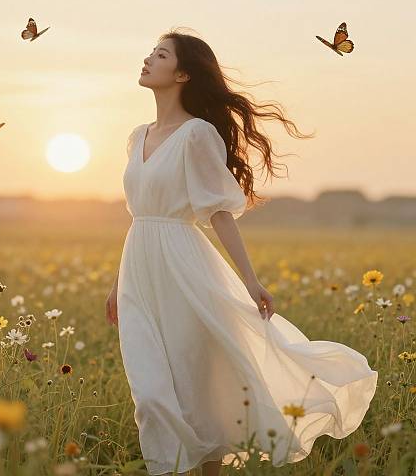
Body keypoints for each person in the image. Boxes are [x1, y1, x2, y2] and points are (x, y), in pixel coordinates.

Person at [104, 28, 378, 476]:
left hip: (184, 267)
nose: (147, 59)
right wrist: (117, 285)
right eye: (150, 52)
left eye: (160, 54)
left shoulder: (196, 135)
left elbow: (218, 214)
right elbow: (138, 217)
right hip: (139, 269)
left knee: (200, 388)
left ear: (184, 74)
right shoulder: (138, 137)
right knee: (151, 393)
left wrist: (251, 281)